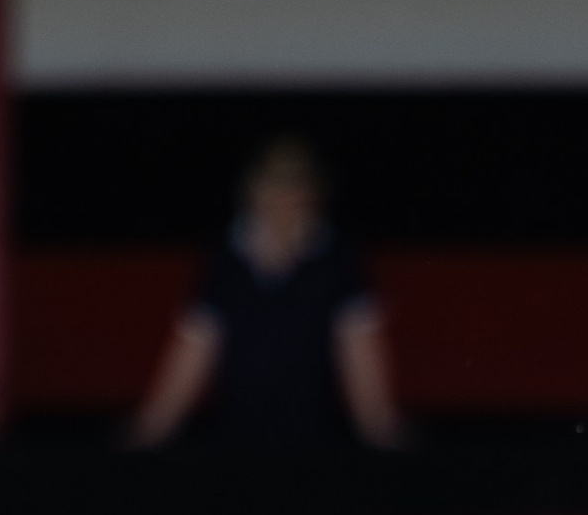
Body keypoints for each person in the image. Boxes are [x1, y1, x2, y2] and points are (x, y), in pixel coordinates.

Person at [127, 138, 406, 454]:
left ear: (315, 193)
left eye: (296, 185)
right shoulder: (224, 261)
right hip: (235, 445)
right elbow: (192, 354)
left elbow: (364, 370)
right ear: (252, 189)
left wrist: (384, 434)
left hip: (313, 446)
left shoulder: (339, 262)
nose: (284, 197)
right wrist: (147, 433)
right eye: (274, 183)